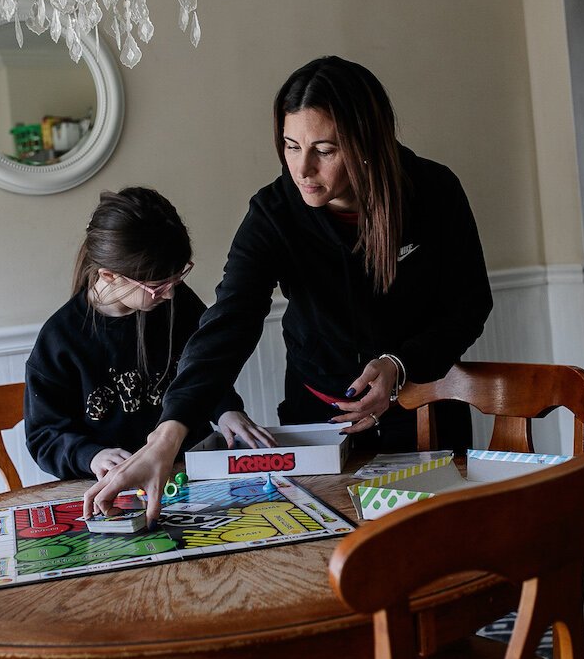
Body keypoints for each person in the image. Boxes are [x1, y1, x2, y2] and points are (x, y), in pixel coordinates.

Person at [85, 55, 493, 523]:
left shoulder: (435, 191)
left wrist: (401, 365)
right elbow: (230, 321)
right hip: (316, 421)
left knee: (435, 554)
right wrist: (168, 433)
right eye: (290, 145)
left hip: (425, 415)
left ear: (365, 144)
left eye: (325, 149)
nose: (302, 168)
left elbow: (471, 303)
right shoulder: (274, 213)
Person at [24, 186, 270, 483]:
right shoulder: (60, 340)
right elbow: (44, 438)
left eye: (177, 278)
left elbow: (206, 366)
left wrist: (224, 409)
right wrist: (91, 456)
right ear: (109, 276)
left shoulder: (179, 301)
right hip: (118, 488)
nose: (169, 294)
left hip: (193, 473)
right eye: (158, 285)